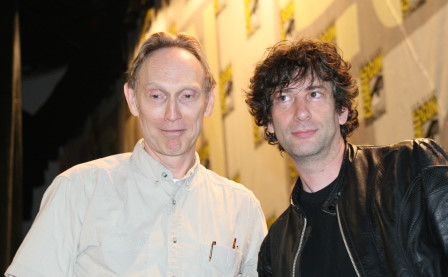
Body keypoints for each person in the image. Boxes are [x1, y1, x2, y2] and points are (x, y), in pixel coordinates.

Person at [6, 32, 267, 277]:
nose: (172, 114)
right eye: (156, 96)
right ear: (132, 99)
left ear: (209, 100)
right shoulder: (78, 191)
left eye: (187, 95)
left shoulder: (241, 207)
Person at [245, 38, 448, 276]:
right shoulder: (275, 248)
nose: (301, 113)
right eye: (284, 98)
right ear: (269, 123)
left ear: (342, 110)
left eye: (314, 94)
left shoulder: (412, 169)